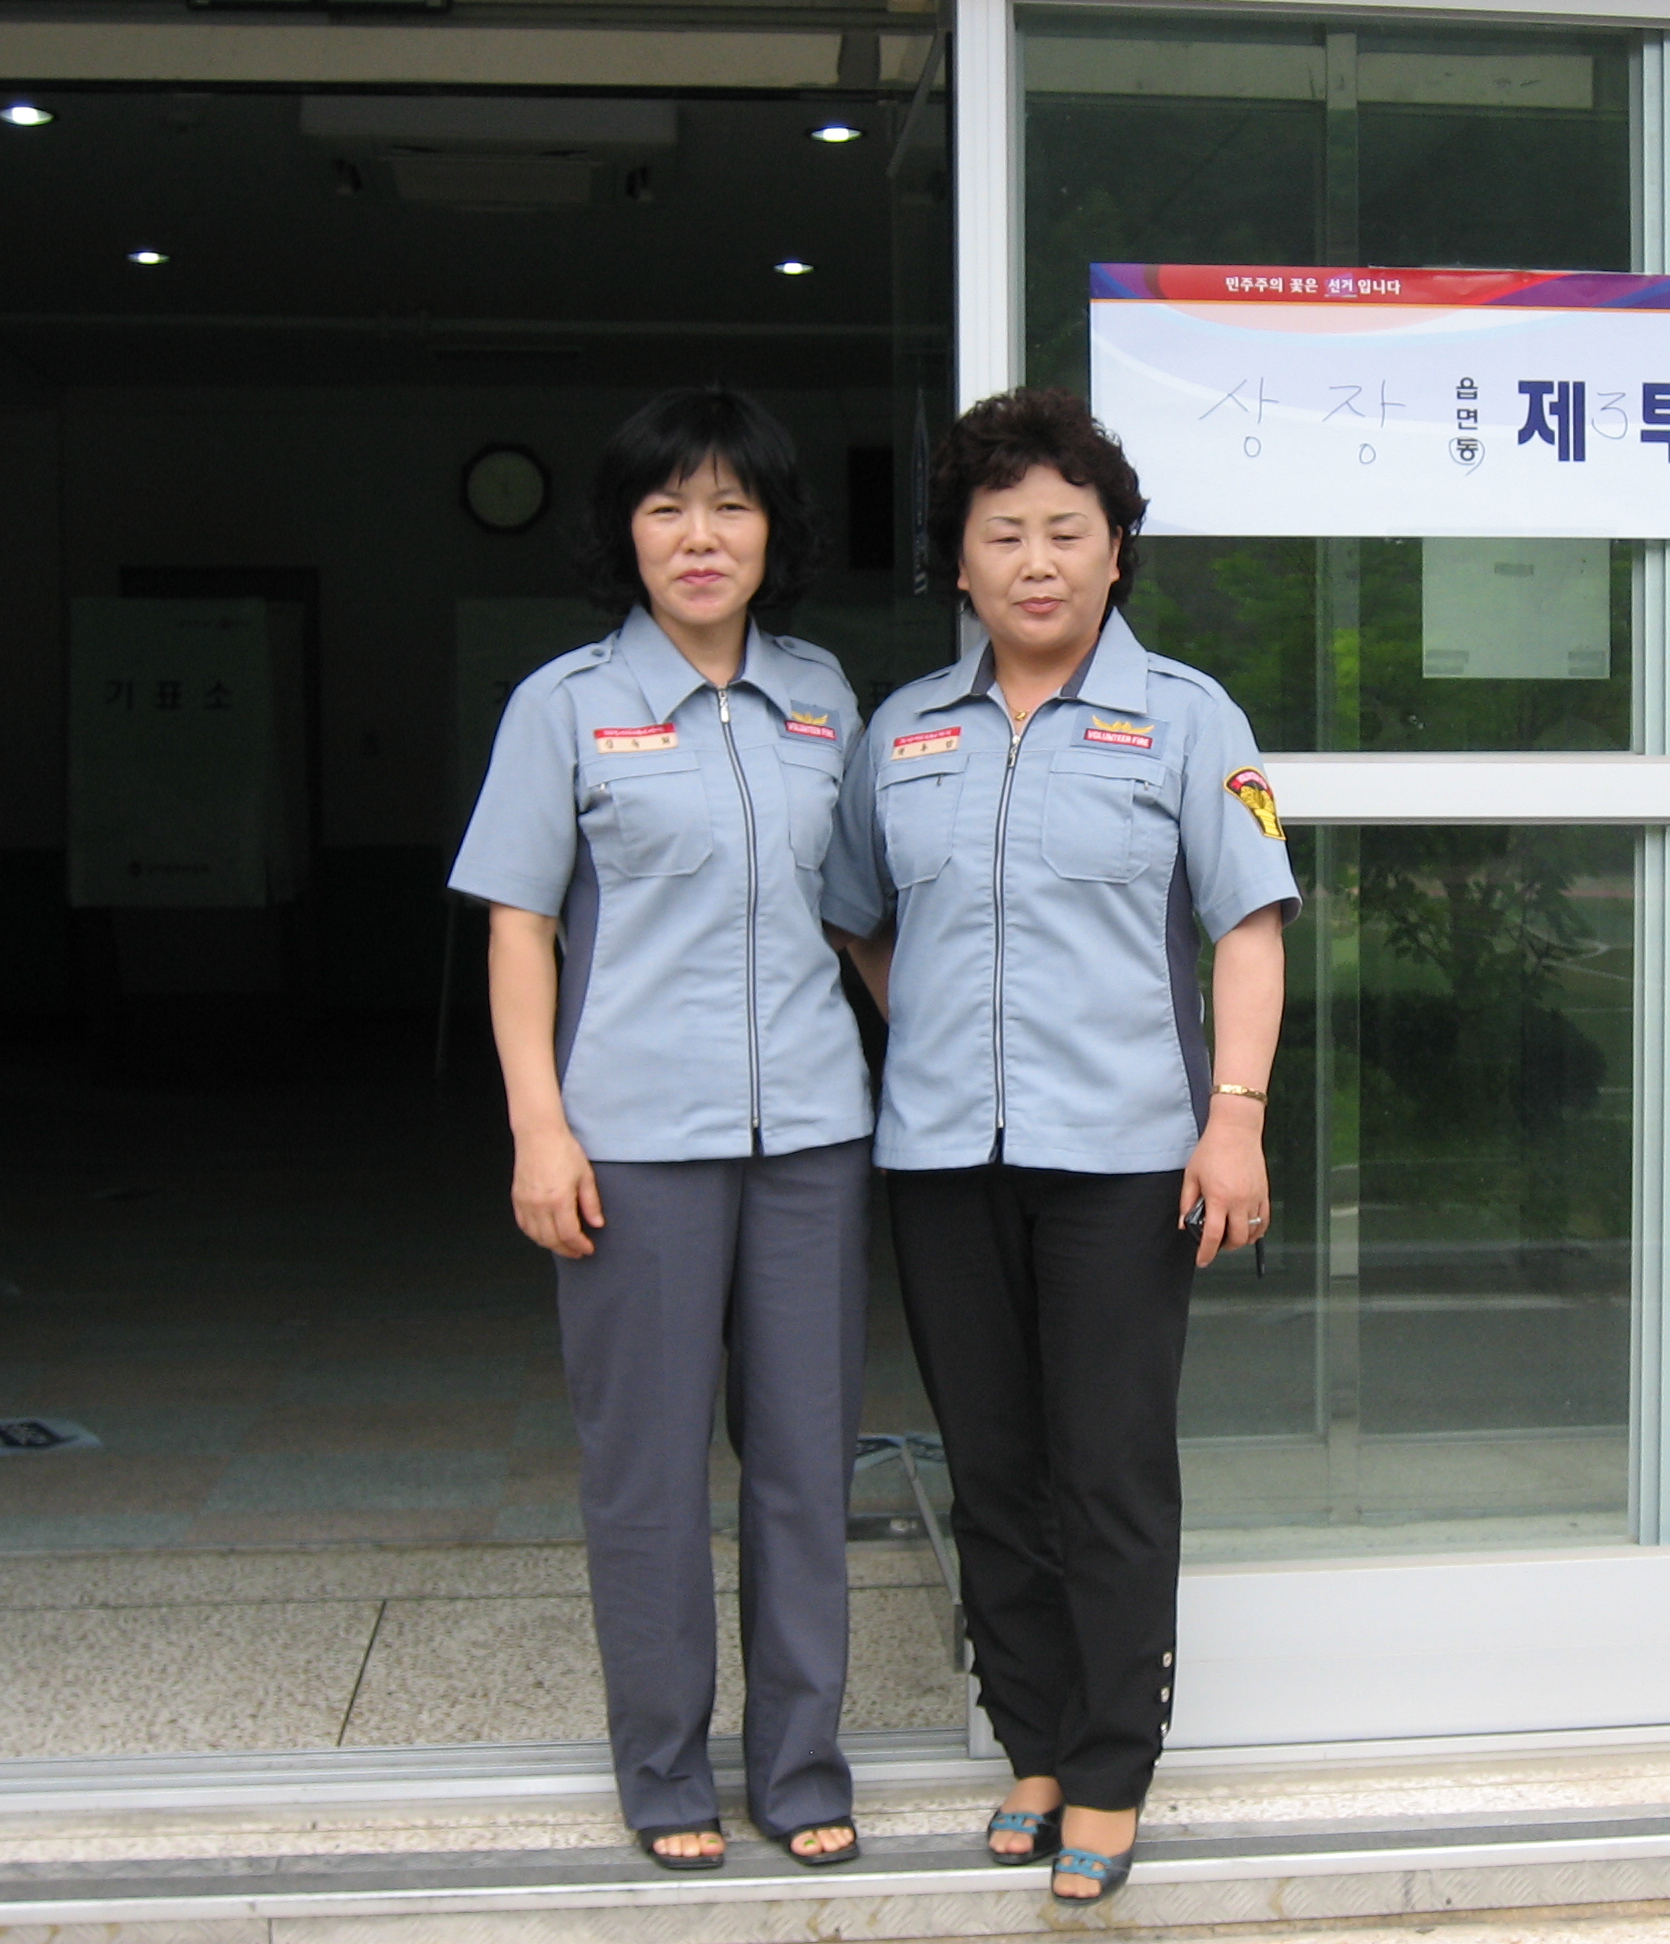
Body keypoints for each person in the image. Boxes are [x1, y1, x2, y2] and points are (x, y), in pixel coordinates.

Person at [825, 387, 1297, 1905]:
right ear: (958, 562)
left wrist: (1234, 1118)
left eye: (1067, 532)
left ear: (1115, 552)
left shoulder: (1189, 719)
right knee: (993, 1467)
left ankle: (1108, 1767)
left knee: (1106, 1470)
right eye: (1003, 533)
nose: (1036, 561)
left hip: (1127, 1158)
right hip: (943, 1160)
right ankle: (1030, 1744)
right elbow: (860, 917)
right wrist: (936, 1032)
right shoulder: (903, 731)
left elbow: (1249, 926)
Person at [450, 386, 870, 1872]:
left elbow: (863, 915)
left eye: (731, 506)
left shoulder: (825, 698)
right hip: (631, 1141)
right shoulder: (563, 705)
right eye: (667, 507)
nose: (701, 537)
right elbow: (518, 927)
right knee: (645, 1476)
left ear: (772, 532)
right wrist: (538, 1129)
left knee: (806, 1468)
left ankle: (801, 1768)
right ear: (625, 534)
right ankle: (666, 1769)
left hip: (814, 1137)